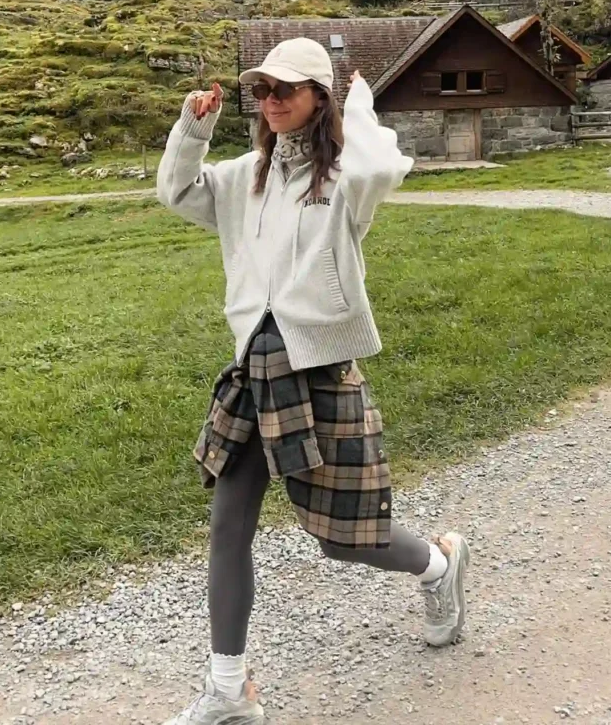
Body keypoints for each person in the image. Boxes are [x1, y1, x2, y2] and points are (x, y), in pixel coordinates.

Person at [156, 37, 469, 724]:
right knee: (227, 525)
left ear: (315, 99)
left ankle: (439, 567)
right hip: (254, 370)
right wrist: (193, 126)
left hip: (319, 372)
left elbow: (385, 160)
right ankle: (229, 690)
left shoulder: (346, 181)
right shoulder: (243, 177)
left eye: (285, 90)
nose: (269, 101)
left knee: (342, 539)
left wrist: (358, 102)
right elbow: (176, 191)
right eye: (261, 90)